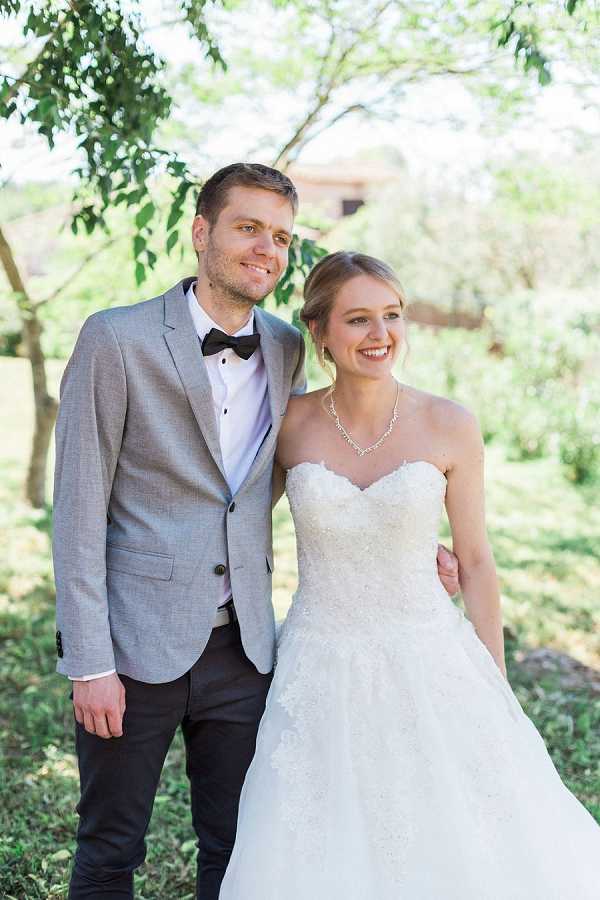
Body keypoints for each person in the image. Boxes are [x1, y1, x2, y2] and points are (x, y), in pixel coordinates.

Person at [53, 164, 460, 899]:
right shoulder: (116, 339)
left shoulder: (286, 347)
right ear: (203, 232)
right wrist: (89, 662)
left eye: (279, 235)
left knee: (240, 848)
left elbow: (280, 474)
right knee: (111, 848)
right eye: (248, 228)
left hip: (245, 649)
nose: (266, 248)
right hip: (132, 644)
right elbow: (77, 510)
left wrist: (392, 534)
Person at [219, 250, 600, 899]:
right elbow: (233, 526)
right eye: (359, 319)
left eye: (392, 316)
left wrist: (494, 682)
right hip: (320, 660)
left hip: (429, 655)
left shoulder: (449, 423)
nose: (381, 335)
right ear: (319, 332)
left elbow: (475, 561)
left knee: (459, 830)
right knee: (317, 834)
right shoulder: (289, 425)